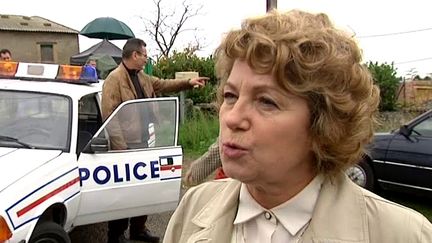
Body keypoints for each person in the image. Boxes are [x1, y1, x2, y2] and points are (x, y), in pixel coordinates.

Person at [164, 10, 432, 243]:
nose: (232, 118)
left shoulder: (403, 234)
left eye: (266, 102)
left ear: (325, 125)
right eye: (231, 96)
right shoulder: (193, 207)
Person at [101, 37, 208, 243]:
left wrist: (188, 82)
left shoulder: (142, 76)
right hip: (127, 147)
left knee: (145, 189)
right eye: (144, 55)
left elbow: (164, 84)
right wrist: (121, 150)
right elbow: (110, 118)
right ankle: (116, 235)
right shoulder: (113, 80)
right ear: (135, 55)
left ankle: (138, 230)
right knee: (125, 194)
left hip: (146, 141)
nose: (146, 59)